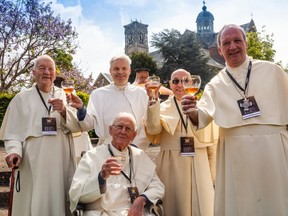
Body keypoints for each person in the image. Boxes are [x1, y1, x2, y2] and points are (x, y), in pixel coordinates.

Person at [181, 24, 288, 216]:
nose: (233, 47)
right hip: (234, 151)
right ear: (220, 51)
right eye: (226, 43)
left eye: (237, 40)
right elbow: (203, 115)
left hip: (274, 151)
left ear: (246, 44)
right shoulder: (215, 84)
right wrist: (192, 111)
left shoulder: (273, 70)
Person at [0, 55, 81, 216]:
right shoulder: (21, 98)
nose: (47, 72)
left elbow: (79, 127)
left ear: (55, 73)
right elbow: (13, 132)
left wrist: (65, 111)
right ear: (33, 72)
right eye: (42, 68)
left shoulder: (66, 95)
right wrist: (14, 151)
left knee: (59, 197)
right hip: (32, 162)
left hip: (61, 159)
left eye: (51, 68)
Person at [144, 69, 217, 216]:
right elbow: (153, 130)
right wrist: (153, 101)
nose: (180, 85)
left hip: (199, 162)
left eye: (185, 80)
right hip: (171, 164)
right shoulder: (161, 107)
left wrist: (214, 174)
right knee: (174, 206)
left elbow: (213, 143)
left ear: (191, 83)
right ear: (170, 85)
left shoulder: (203, 107)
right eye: (175, 81)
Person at [69, 112, 165, 215]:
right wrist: (101, 178)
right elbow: (76, 193)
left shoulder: (140, 156)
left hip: (134, 212)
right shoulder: (91, 156)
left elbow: (158, 186)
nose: (123, 131)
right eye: (119, 126)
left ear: (134, 135)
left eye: (128, 129)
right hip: (102, 212)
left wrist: (143, 198)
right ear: (110, 130)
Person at [69, 54, 150, 150]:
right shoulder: (98, 94)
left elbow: (147, 124)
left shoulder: (142, 94)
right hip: (106, 149)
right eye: (116, 68)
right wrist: (81, 108)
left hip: (135, 149)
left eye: (124, 68)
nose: (120, 72)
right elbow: (89, 124)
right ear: (110, 71)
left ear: (129, 71)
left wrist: (135, 146)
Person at [54, 75, 93, 163]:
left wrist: (80, 113)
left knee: (82, 162)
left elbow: (76, 111)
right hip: (59, 140)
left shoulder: (70, 92)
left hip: (78, 137)